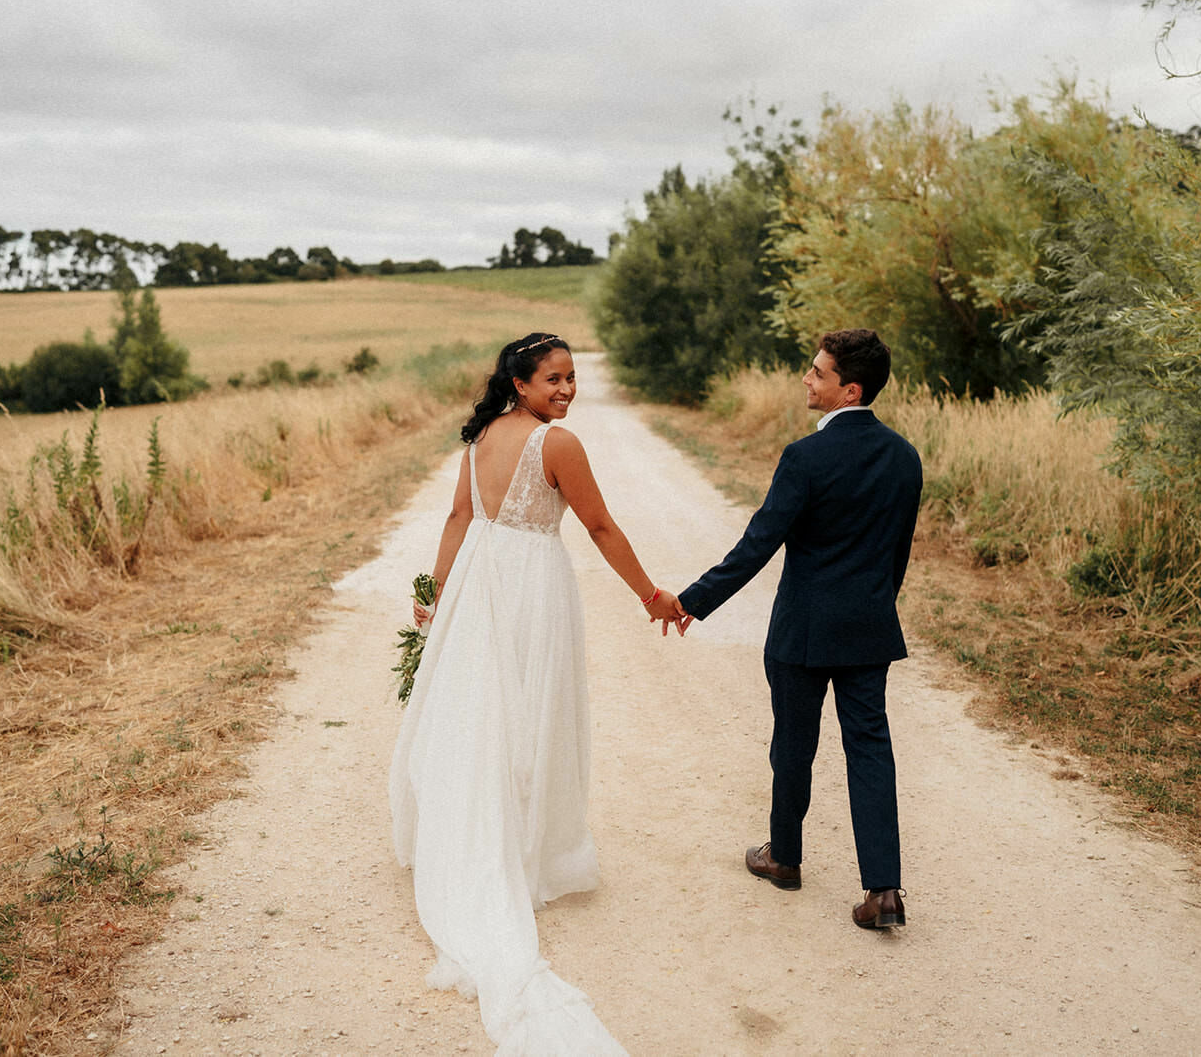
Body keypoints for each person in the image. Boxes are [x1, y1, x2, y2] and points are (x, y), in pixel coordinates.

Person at [389, 332, 680, 1054]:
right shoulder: (558, 446)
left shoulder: (481, 435)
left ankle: (494, 833)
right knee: (531, 714)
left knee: (486, 713)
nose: (567, 390)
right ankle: (523, 849)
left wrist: (438, 593)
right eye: (554, 378)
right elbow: (601, 524)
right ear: (519, 382)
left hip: (484, 584)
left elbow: (460, 520)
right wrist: (650, 592)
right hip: (529, 590)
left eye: (573, 378)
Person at [674, 328, 923, 930]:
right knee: (870, 751)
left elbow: (757, 545)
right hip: (869, 627)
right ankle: (883, 889)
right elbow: (897, 555)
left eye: (817, 373)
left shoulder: (804, 457)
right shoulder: (903, 457)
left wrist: (689, 601)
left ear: (849, 389)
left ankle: (784, 857)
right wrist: (872, 606)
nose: (806, 380)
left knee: (794, 743)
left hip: (803, 631)